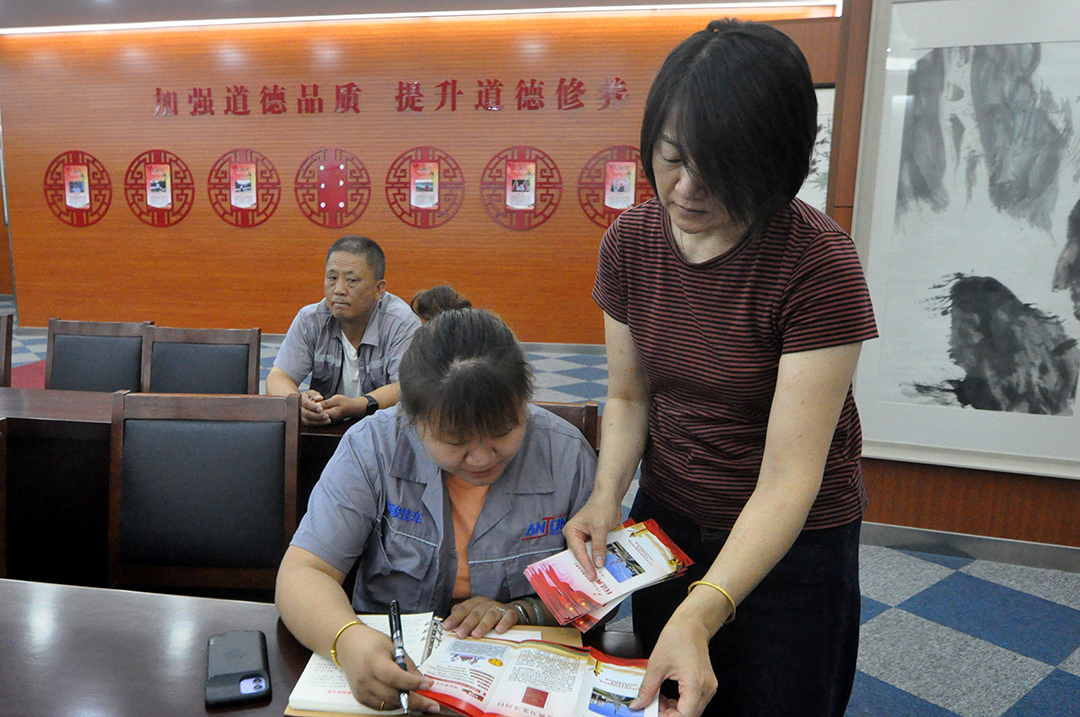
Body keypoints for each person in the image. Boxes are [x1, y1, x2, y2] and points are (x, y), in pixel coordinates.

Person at [563, 19, 878, 717]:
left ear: (775, 164)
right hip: (668, 522)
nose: (686, 188)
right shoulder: (631, 242)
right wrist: (606, 495)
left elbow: (789, 478)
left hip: (791, 543)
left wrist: (705, 608)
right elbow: (630, 397)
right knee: (668, 701)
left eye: (720, 168)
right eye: (672, 159)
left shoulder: (817, 264)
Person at [276, 308, 598, 713]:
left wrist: (524, 610)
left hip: (519, 678)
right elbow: (304, 572)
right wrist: (347, 639)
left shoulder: (566, 455)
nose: (482, 458)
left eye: (502, 432)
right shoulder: (372, 446)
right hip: (395, 662)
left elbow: (604, 585)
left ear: (524, 403)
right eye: (455, 441)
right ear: (412, 420)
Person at [266, 236, 421, 426]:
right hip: (324, 429)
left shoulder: (401, 323)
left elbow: (407, 388)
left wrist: (359, 405)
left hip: (385, 432)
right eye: (332, 278)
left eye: (352, 280)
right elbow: (278, 377)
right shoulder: (311, 319)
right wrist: (299, 404)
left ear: (378, 289)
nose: (339, 290)